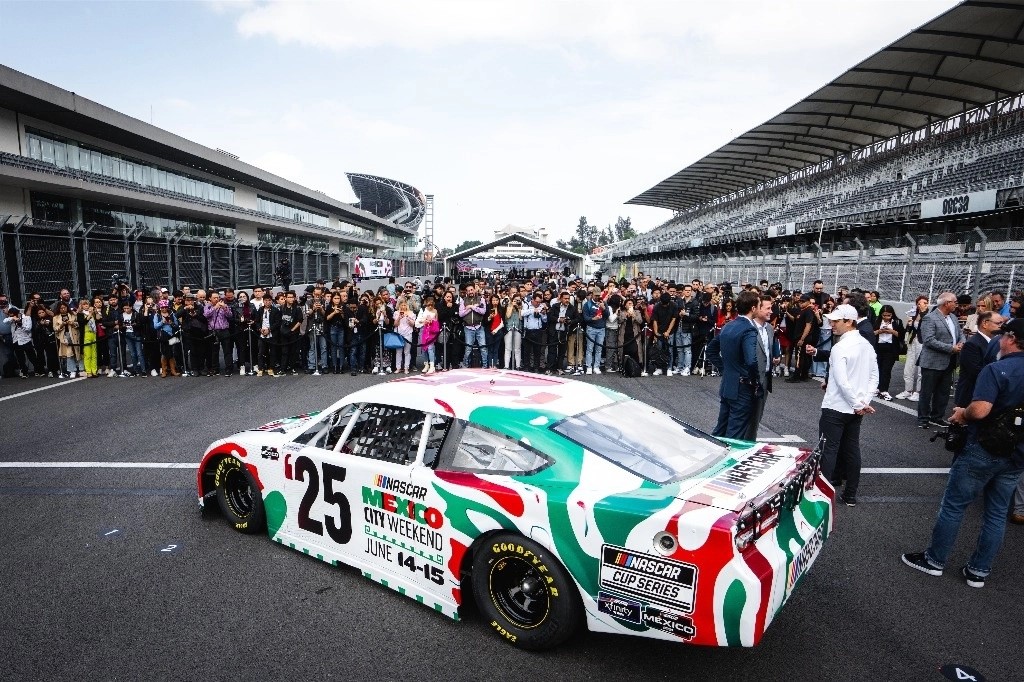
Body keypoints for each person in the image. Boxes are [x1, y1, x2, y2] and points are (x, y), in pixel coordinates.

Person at [902, 318, 1024, 588]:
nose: (999, 340)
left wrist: (961, 414)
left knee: (954, 505)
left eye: (1003, 335)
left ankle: (934, 560)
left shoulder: (997, 370)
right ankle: (979, 571)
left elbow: (979, 410)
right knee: (996, 513)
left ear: (1012, 339)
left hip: (983, 448)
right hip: (1016, 455)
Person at [806, 303, 878, 507]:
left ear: (849, 322)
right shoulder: (867, 345)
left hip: (837, 407)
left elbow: (841, 380)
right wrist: (864, 402)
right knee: (852, 449)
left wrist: (858, 402)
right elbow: (874, 377)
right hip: (856, 408)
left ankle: (824, 496)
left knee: (828, 450)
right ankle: (850, 494)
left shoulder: (840, 347)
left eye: (836, 321)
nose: (831, 324)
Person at [706, 291, 762, 440]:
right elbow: (751, 360)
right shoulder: (749, 329)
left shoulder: (729, 325)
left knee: (720, 429)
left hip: (727, 384)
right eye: (759, 305)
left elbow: (711, 349)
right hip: (742, 387)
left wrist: (724, 368)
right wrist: (755, 380)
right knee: (735, 433)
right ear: (753, 308)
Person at [916, 292, 965, 429]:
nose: (956, 304)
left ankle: (937, 417)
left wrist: (961, 343)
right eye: (954, 302)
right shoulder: (930, 318)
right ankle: (923, 418)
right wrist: (951, 348)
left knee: (943, 392)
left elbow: (960, 334)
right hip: (932, 361)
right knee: (927, 392)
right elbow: (929, 340)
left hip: (949, 361)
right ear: (946, 303)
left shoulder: (954, 318)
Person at [954, 311, 1003, 408]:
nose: (1001, 326)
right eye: (998, 323)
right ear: (985, 323)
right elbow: (975, 371)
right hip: (971, 395)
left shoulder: (995, 342)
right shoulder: (972, 344)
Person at [747, 294, 779, 441]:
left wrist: (774, 358)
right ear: (757, 309)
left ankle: (750, 443)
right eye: (767, 308)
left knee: (757, 416)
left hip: (765, 378)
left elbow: (769, 348)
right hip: (749, 379)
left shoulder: (770, 329)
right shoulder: (747, 327)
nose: (771, 311)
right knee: (745, 416)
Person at [896, 295, 930, 401]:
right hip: (912, 341)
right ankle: (908, 390)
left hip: (922, 343)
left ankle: (918, 391)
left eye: (924, 303)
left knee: (920, 368)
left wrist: (923, 312)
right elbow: (909, 329)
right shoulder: (914, 314)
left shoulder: (929, 315)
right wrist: (909, 324)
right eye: (919, 303)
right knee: (909, 366)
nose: (922, 305)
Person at [872, 304, 905, 401]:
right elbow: (871, 333)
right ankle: (877, 388)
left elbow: (902, 336)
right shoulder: (876, 321)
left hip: (891, 348)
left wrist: (892, 331)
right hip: (878, 347)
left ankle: (884, 390)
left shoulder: (897, 322)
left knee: (886, 369)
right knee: (877, 368)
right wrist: (879, 331)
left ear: (892, 314)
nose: (886, 318)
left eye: (889, 315)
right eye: (884, 315)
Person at [204, 292, 234, 377]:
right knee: (214, 351)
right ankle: (215, 369)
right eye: (214, 298)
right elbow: (206, 315)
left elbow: (230, 315)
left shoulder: (223, 305)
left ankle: (228, 369)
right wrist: (215, 308)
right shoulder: (207, 306)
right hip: (213, 331)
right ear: (210, 298)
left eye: (217, 297)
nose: (216, 299)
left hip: (224, 330)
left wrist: (224, 307)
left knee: (227, 351)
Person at [581, 286, 608, 375]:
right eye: (595, 295)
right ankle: (589, 366)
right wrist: (593, 318)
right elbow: (585, 318)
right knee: (589, 348)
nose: (597, 297)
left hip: (601, 329)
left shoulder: (603, 302)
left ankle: (596, 366)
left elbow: (607, 315)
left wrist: (603, 308)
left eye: (598, 295)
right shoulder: (587, 304)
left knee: (599, 349)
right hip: (591, 328)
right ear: (592, 294)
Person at [459, 284, 487, 369]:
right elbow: (461, 314)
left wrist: (472, 307)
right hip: (468, 328)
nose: (470, 292)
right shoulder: (463, 301)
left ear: (474, 290)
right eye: (468, 290)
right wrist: (470, 308)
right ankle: (466, 365)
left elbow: (483, 311)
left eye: (472, 290)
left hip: (479, 327)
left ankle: (485, 365)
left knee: (483, 347)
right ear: (466, 292)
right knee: (468, 349)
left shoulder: (481, 299)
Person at [52, 302, 81, 378]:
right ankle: (72, 370)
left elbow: (79, 324)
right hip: (64, 336)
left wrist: (72, 323)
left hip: (74, 335)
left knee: (77, 352)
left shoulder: (73, 314)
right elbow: (55, 329)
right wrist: (62, 325)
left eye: (64, 307)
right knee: (69, 353)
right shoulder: (55, 317)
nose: (63, 309)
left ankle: (80, 369)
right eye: (61, 308)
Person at [254, 292, 280, 376]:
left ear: (271, 301)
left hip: (271, 333)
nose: (267, 302)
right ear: (263, 301)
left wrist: (269, 329)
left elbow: (277, 322)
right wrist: (260, 329)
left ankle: (271, 367)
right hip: (262, 333)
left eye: (269, 300)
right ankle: (260, 368)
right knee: (261, 352)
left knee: (272, 351)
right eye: (265, 300)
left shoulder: (275, 310)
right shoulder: (260, 310)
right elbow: (257, 321)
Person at [278, 291, 303, 375]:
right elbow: (279, 320)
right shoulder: (282, 308)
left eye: (292, 297)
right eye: (289, 297)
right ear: (285, 298)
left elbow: (300, 320)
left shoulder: (297, 308)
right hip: (283, 332)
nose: (291, 299)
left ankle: (292, 368)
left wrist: (292, 330)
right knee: (284, 351)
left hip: (293, 332)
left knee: (293, 351)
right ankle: (283, 368)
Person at [522, 292, 547, 373]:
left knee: (537, 350)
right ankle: (527, 367)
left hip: (538, 330)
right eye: (537, 302)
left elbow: (545, 320)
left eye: (539, 302)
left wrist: (543, 314)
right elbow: (522, 313)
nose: (538, 304)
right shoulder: (527, 305)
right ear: (533, 300)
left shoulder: (542, 306)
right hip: (528, 330)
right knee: (527, 351)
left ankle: (536, 367)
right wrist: (533, 310)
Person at [416, 296, 440, 374]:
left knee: (430, 349)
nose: (430, 306)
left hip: (431, 332)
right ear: (426, 303)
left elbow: (437, 322)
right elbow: (418, 321)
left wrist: (432, 321)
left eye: (431, 305)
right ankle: (426, 364)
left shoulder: (435, 311)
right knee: (424, 349)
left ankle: (432, 366)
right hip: (423, 330)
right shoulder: (422, 310)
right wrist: (425, 321)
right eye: (428, 305)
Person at [393, 300, 416, 373]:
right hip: (399, 333)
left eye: (404, 305)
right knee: (398, 351)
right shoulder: (396, 313)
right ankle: (398, 367)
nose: (403, 307)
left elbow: (412, 325)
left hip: (408, 333)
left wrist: (408, 317)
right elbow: (395, 324)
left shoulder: (411, 313)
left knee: (407, 351)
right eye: (402, 305)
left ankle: (406, 367)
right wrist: (399, 317)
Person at [503, 294, 523, 371]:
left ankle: (518, 366)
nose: (517, 301)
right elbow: (507, 316)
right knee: (508, 348)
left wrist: (519, 308)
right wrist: (512, 305)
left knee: (517, 349)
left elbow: (521, 318)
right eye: (515, 300)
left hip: (517, 329)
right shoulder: (508, 306)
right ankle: (506, 366)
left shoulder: (520, 307)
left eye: (518, 300)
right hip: (509, 329)